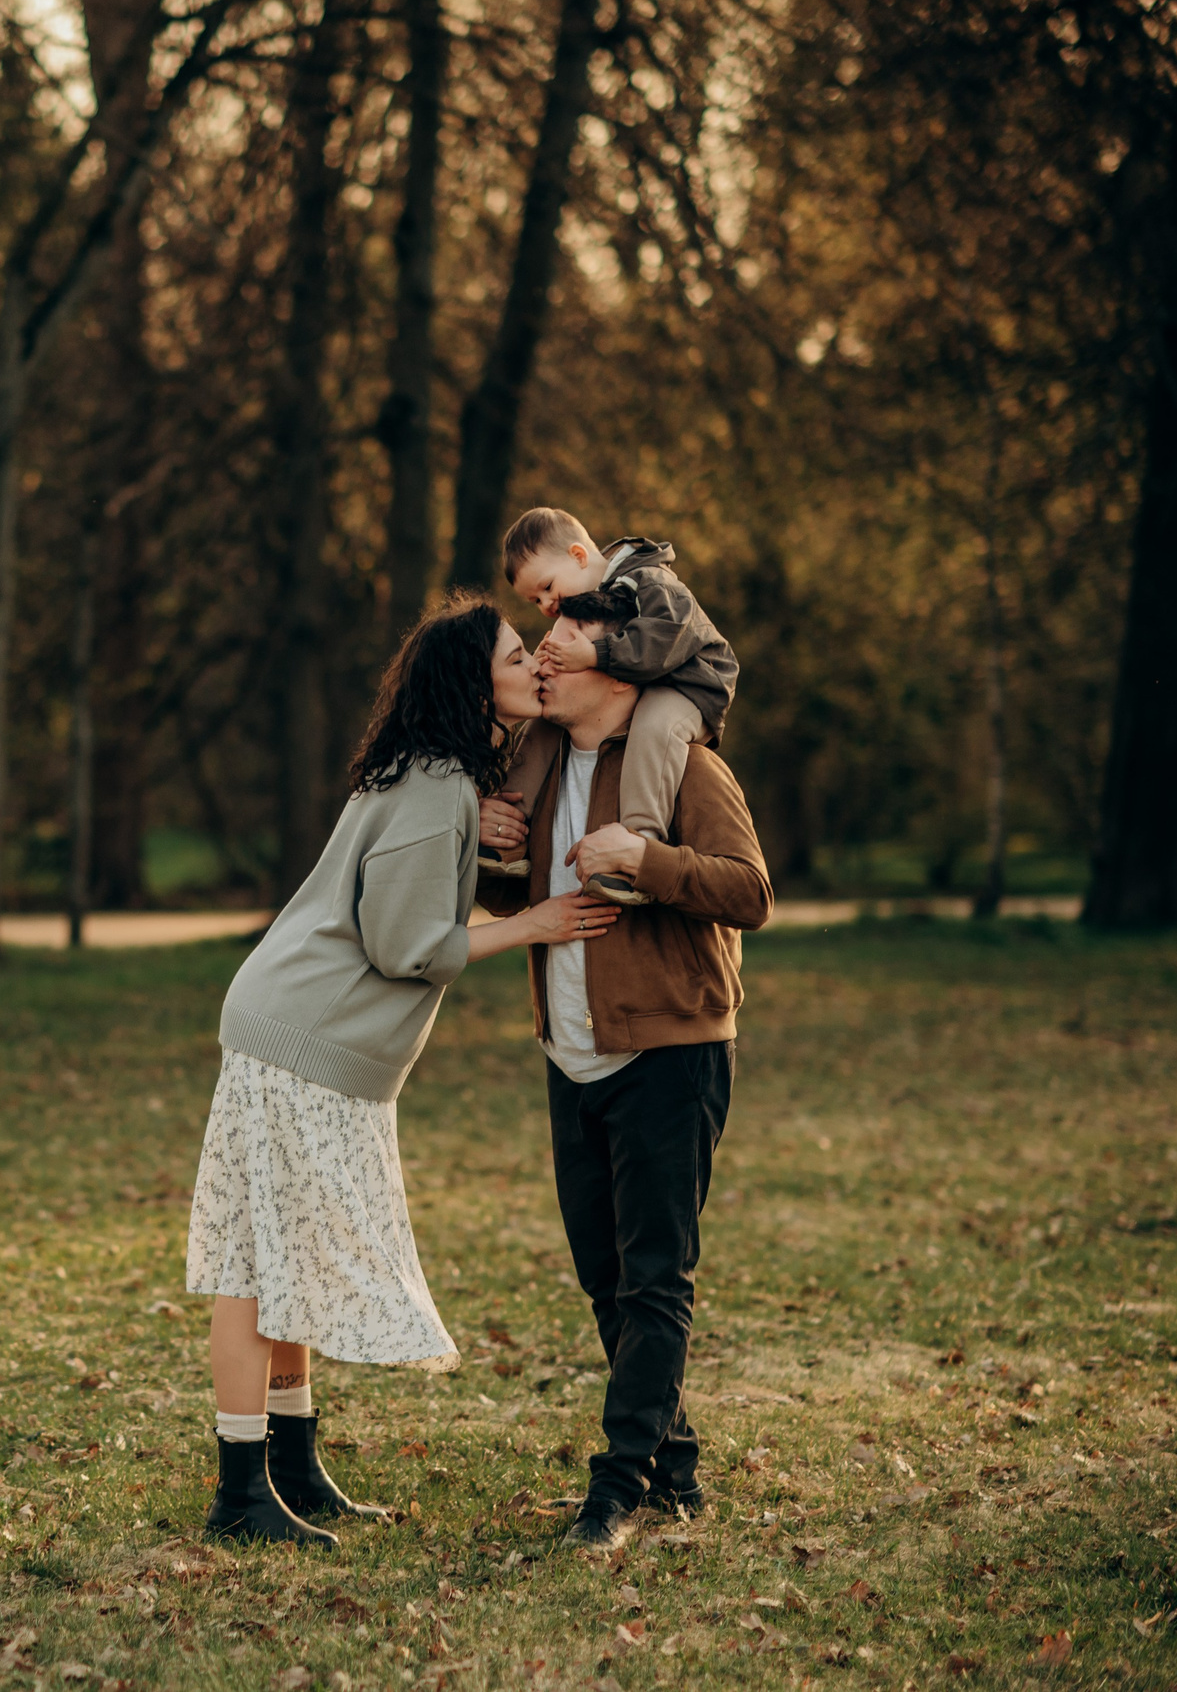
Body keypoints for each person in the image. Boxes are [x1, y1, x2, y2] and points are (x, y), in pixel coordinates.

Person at [186, 593, 623, 1547]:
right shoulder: (434, 789)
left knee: (284, 1252)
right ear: (475, 682)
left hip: (300, 1033)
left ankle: (291, 1466)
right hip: (305, 1040)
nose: (534, 664)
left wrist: (479, 840)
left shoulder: (431, 777)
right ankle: (239, 1493)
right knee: (258, 1267)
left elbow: (410, 884)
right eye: (517, 654)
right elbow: (401, 944)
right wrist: (533, 924)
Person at [475, 586, 772, 1551]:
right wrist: (488, 852)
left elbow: (749, 891)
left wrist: (646, 861)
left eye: (562, 647)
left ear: (620, 665)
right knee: (605, 1277)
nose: (545, 663)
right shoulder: (542, 762)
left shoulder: (682, 762)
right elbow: (518, 892)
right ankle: (673, 1467)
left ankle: (615, 1489)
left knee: (653, 1280)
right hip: (571, 1054)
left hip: (670, 1049)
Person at [486, 507, 739, 910]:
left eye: (548, 588)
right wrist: (482, 825)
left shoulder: (650, 580)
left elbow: (668, 635)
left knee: (656, 727)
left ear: (579, 556)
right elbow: (503, 904)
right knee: (541, 724)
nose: (548, 604)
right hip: (640, 669)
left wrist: (596, 653)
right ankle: (508, 832)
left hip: (692, 680)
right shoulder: (557, 756)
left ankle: (638, 842)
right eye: (537, 600)